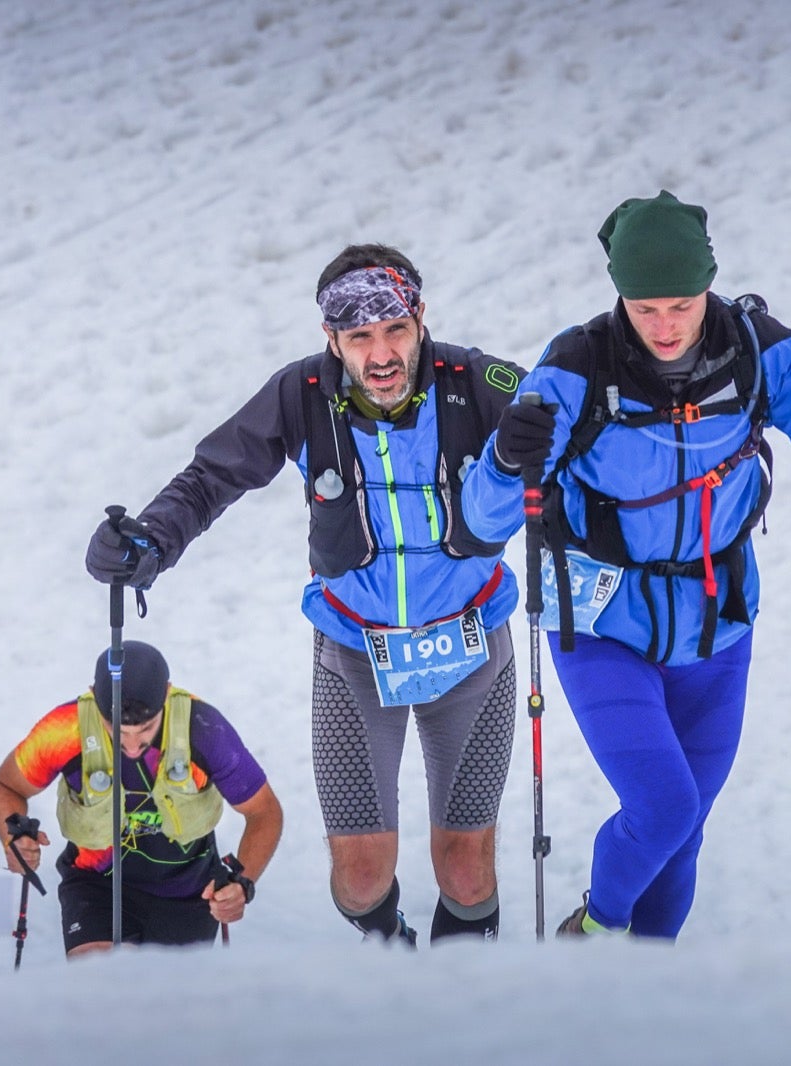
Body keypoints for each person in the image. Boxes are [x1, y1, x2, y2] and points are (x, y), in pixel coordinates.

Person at [461, 191, 791, 939]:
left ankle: (648, 999)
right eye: (644, 308)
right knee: (665, 808)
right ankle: (592, 933)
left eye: (682, 304)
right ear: (619, 294)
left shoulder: (760, 352)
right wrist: (504, 456)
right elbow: (483, 521)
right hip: (600, 625)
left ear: (709, 284)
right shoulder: (576, 367)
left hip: (719, 629)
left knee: (686, 833)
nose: (665, 326)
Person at [85, 244, 526, 946]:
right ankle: (395, 955)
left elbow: (573, 454)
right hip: (356, 653)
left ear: (419, 320)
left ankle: (458, 995)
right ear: (332, 339)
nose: (380, 354)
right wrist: (150, 542)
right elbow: (213, 476)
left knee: (467, 872)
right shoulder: (302, 394)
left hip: (473, 653)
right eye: (359, 337)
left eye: (395, 332)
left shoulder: (479, 382)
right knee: (358, 878)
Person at [0, 640, 281, 953]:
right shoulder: (65, 729)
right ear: (94, 696)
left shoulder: (204, 729)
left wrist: (242, 882)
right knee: (106, 989)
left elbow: (264, 811)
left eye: (145, 729)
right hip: (95, 884)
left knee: (166, 1001)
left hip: (189, 890)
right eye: (117, 731)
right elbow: (5, 785)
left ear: (167, 695)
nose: (131, 746)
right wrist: (12, 838)